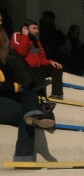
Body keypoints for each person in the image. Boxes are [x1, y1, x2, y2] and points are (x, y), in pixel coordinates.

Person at [0, 21, 55, 162]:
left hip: (5, 100)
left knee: (29, 111)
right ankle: (24, 154)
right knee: (29, 109)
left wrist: (17, 87)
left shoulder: (7, 62)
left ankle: (24, 156)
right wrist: (11, 87)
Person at [10, 19, 64, 99]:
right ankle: (40, 96)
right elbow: (21, 52)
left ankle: (57, 95)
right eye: (34, 28)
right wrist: (25, 36)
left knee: (56, 67)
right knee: (39, 72)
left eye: (37, 29)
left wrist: (50, 62)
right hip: (25, 70)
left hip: (37, 69)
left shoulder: (37, 42)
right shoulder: (17, 35)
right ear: (25, 28)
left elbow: (41, 59)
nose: (37, 31)